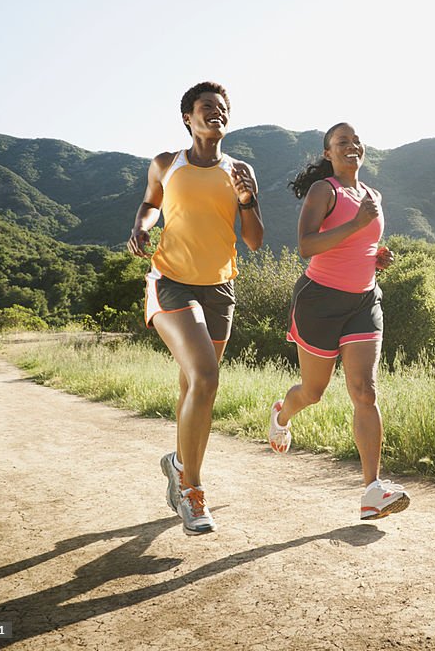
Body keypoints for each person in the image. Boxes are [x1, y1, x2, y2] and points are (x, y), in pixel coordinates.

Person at [127, 81, 264, 535]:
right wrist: (142, 227)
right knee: (206, 377)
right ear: (189, 117)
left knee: (194, 388)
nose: (216, 113)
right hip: (172, 281)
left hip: (219, 287)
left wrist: (249, 200)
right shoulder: (167, 163)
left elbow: (254, 240)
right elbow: (151, 203)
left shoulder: (240, 170)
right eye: (207, 107)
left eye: (222, 108)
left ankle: (177, 464)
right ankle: (192, 490)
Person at [270, 122, 408, 520]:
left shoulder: (372, 195)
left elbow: (360, 243)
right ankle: (282, 414)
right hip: (319, 301)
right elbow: (306, 245)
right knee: (313, 392)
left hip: (364, 300)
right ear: (328, 153)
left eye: (356, 140)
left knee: (365, 391)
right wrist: (357, 224)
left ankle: (372, 490)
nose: (352, 146)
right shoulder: (323, 190)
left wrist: (377, 256)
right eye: (341, 142)